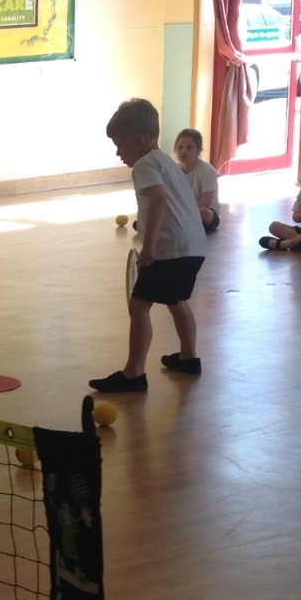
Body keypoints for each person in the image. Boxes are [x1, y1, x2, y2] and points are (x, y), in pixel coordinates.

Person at [89, 99, 206, 392]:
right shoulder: (166, 161)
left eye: (120, 145)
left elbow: (158, 199)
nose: (118, 153)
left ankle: (133, 373)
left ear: (139, 140)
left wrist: (150, 246)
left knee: (139, 306)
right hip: (194, 247)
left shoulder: (144, 165)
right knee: (177, 300)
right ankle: (189, 357)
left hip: (169, 250)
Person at [171, 127, 222, 233]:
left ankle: (176, 225)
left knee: (204, 213)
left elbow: (205, 202)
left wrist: (182, 210)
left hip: (203, 212)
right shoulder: (174, 170)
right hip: (181, 211)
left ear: (198, 150)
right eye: (180, 147)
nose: (183, 151)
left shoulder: (207, 170)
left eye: (189, 148)